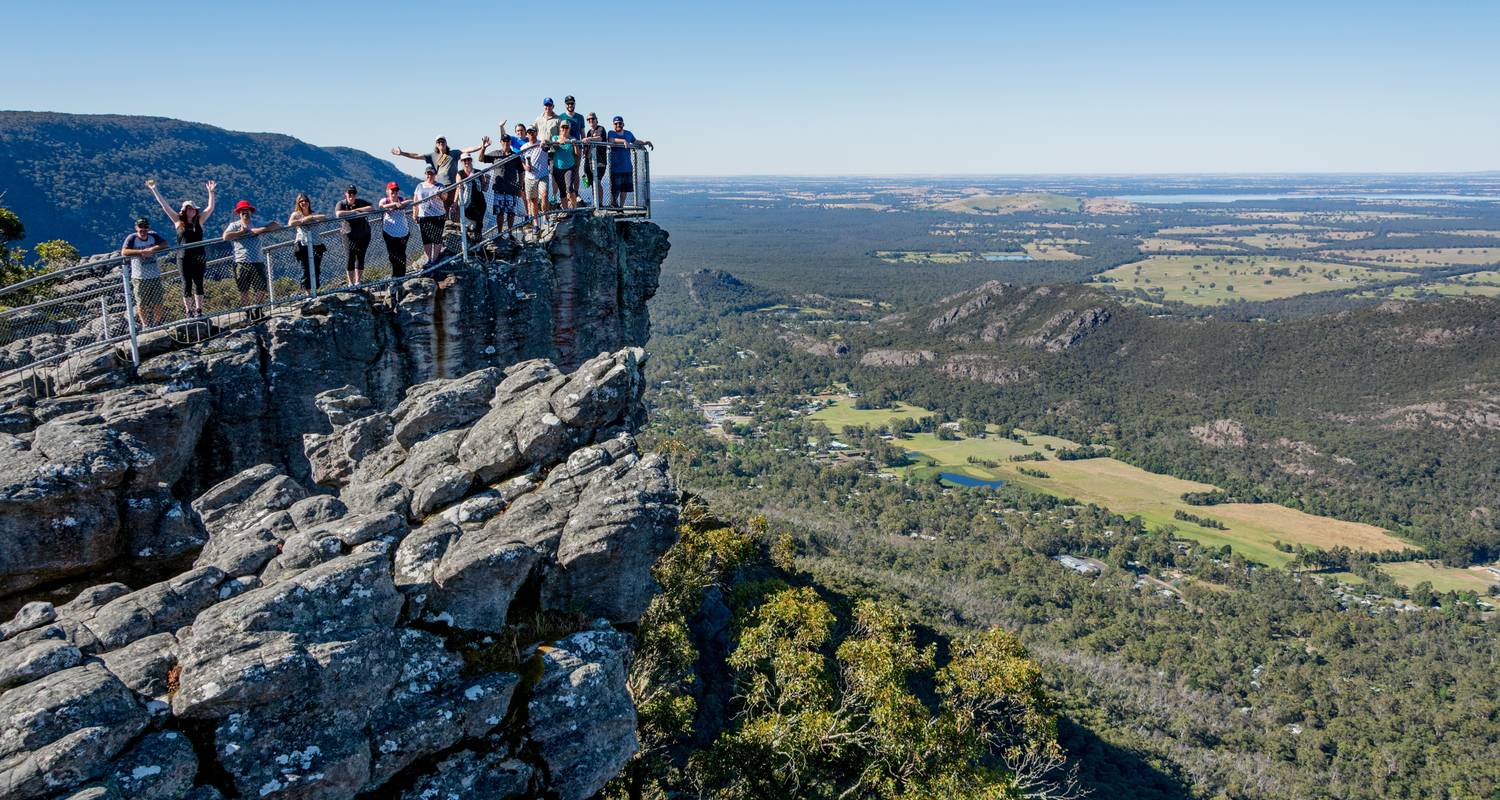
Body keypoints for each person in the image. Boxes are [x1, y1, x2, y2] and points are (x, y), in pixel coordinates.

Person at [146, 178, 216, 317]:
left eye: (193, 208)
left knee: (199, 283)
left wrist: (211, 193)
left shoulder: (199, 221)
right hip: (183, 257)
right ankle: (188, 311)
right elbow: (165, 206)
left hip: (199, 256)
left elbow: (210, 208)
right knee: (186, 284)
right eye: (188, 208)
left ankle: (199, 310)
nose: (191, 210)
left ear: (195, 211)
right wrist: (154, 190)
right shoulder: (178, 221)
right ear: (184, 210)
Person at [222, 200, 279, 311]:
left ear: (250, 212)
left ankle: (258, 311)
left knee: (261, 288)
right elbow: (225, 236)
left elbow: (276, 225)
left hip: (257, 260)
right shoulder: (234, 225)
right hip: (241, 262)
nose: (245, 213)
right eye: (242, 211)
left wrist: (259, 230)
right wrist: (240, 233)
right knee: (244, 290)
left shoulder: (257, 223)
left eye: (247, 210)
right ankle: (248, 313)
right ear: (239, 213)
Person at [392, 137, 461, 219]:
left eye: (442, 141)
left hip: (452, 186)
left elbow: (467, 150)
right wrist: (402, 153)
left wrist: (479, 147)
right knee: (442, 211)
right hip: (440, 188)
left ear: (446, 143)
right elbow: (417, 156)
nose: (441, 143)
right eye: (438, 142)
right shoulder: (433, 156)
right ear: (436, 144)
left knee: (455, 209)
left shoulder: (453, 153)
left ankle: (458, 229)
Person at [120, 217, 168, 328]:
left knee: (158, 301)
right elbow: (124, 251)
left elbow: (165, 244)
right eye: (140, 227)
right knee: (141, 303)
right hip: (139, 276)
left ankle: (158, 323)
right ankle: (145, 325)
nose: (143, 229)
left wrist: (152, 249)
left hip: (154, 274)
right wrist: (141, 252)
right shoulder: (132, 238)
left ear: (148, 227)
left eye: (145, 227)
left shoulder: (153, 236)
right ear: (136, 227)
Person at [478, 134, 524, 233]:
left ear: (510, 142)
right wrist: (483, 147)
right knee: (500, 213)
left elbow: (521, 172)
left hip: (512, 188)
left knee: (511, 213)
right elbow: (481, 159)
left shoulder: (515, 156)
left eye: (508, 141)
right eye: (504, 141)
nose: (506, 143)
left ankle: (510, 232)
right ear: (501, 142)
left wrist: (520, 187)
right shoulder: (495, 154)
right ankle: (499, 233)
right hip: (499, 188)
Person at [606, 116, 653, 207]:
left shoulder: (628, 134)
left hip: (627, 166)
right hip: (616, 167)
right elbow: (611, 140)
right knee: (615, 189)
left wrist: (645, 142)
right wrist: (623, 141)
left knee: (625, 189)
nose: (618, 125)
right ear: (613, 124)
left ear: (623, 124)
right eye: (616, 123)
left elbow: (635, 141)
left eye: (620, 123)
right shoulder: (611, 133)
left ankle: (621, 207)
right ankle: (613, 204)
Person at [287, 193, 329, 292]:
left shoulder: (313, 213)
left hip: (317, 244)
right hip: (303, 245)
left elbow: (324, 217)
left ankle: (315, 290)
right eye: (301, 201)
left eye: (305, 200)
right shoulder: (296, 214)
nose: (304, 203)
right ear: (298, 203)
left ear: (309, 202)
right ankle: (307, 293)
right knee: (306, 269)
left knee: (316, 269)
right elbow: (290, 224)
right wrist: (305, 219)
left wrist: (312, 217)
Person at [334, 185, 374, 285]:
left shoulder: (360, 202)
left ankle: (358, 282)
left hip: (363, 234)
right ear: (345, 194)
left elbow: (371, 208)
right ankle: (350, 283)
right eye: (349, 193)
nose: (351, 195)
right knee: (350, 258)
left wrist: (359, 210)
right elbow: (338, 214)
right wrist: (352, 212)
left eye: (353, 193)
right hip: (348, 235)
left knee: (361, 257)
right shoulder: (342, 203)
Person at [413, 166, 447, 265]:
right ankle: (428, 259)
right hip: (424, 216)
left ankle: (434, 259)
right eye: (428, 173)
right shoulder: (419, 186)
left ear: (435, 174)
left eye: (431, 173)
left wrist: (440, 194)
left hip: (438, 215)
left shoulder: (440, 185)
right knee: (426, 238)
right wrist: (415, 213)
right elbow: (416, 200)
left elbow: (445, 197)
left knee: (437, 237)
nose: (429, 175)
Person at [379, 181, 411, 278]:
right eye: (392, 190)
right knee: (392, 255)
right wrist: (394, 205)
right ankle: (395, 275)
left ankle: (402, 274)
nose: (394, 192)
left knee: (401, 254)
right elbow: (381, 206)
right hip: (389, 233)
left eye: (396, 190)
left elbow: (411, 201)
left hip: (403, 232)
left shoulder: (401, 199)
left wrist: (400, 204)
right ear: (388, 191)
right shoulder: (385, 201)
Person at [520, 126, 550, 226]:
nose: (531, 134)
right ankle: (536, 223)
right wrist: (525, 167)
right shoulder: (524, 147)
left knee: (544, 195)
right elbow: (522, 160)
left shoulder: (541, 143)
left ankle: (545, 217)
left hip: (543, 175)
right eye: (529, 132)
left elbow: (548, 145)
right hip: (530, 177)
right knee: (533, 201)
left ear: (536, 133)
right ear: (527, 134)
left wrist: (545, 141)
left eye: (532, 132)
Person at [456, 155, 489, 243]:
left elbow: (484, 189)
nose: (466, 162)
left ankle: (477, 246)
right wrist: (455, 202)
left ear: (471, 160)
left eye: (468, 160)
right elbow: (458, 189)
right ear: (461, 162)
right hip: (466, 204)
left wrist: (487, 181)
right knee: (465, 224)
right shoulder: (460, 174)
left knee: (478, 225)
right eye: (464, 160)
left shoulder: (478, 172)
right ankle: (468, 245)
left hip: (479, 203)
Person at [549, 119, 581, 209]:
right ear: (560, 128)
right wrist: (558, 142)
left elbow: (577, 154)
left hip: (569, 167)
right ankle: (567, 211)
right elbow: (553, 149)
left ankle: (575, 208)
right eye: (563, 127)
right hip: (557, 168)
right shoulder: (555, 138)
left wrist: (575, 144)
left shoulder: (572, 139)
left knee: (569, 189)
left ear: (569, 128)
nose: (564, 129)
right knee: (562, 192)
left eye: (566, 127)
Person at [581, 113, 609, 207]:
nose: (591, 121)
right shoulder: (589, 132)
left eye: (592, 119)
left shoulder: (601, 129)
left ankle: (599, 203)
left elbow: (600, 138)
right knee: (591, 182)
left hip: (600, 161)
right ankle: (595, 202)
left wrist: (588, 139)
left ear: (596, 119)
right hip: (589, 160)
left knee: (597, 181)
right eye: (588, 119)